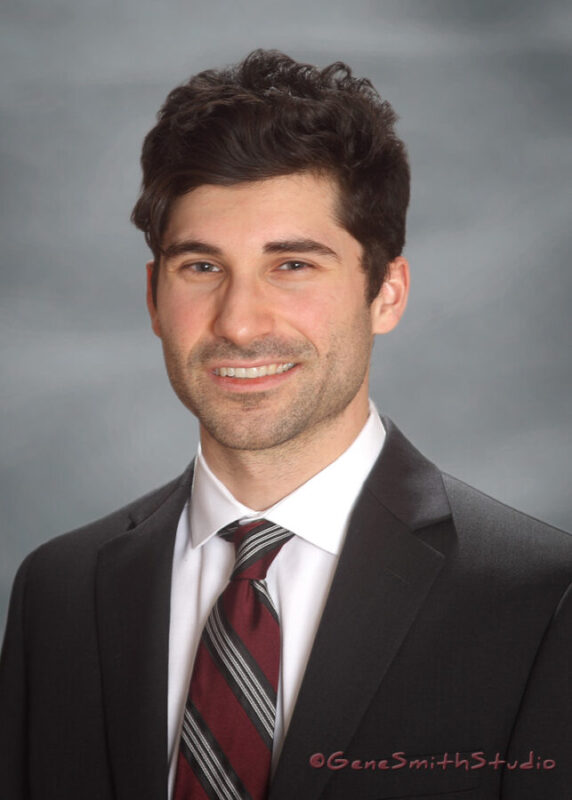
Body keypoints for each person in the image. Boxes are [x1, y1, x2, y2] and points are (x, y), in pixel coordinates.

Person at [1, 49, 571, 800]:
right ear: (152, 297)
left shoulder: (541, 602)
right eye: (200, 267)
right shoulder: (59, 592)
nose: (238, 324)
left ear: (387, 293)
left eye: (293, 266)